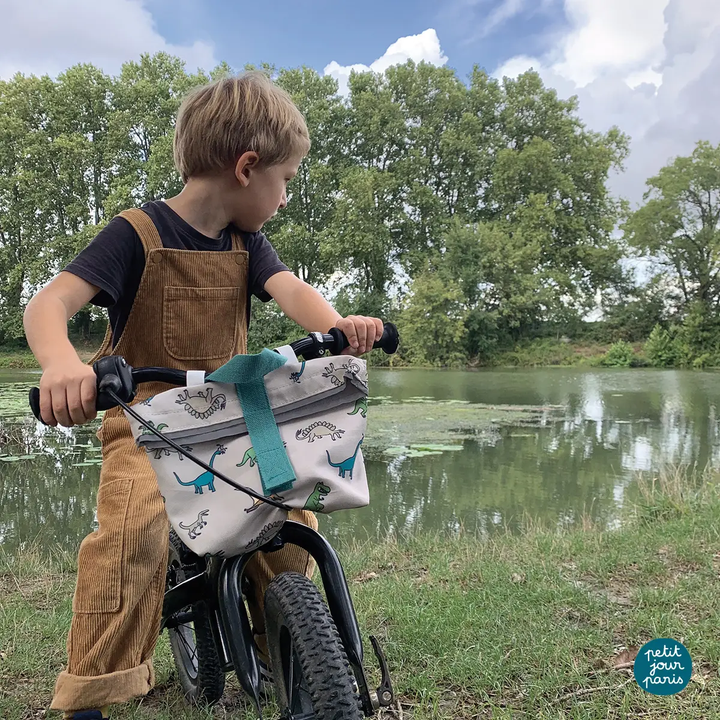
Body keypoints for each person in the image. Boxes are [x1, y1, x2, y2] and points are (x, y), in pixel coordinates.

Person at [23, 71, 383, 720]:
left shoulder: (249, 245)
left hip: (233, 418)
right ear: (247, 167)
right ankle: (90, 697)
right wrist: (61, 363)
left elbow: (293, 292)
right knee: (131, 536)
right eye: (287, 181)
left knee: (290, 506)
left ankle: (287, 640)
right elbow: (50, 303)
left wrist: (337, 330)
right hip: (147, 423)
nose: (284, 197)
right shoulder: (135, 233)